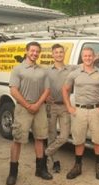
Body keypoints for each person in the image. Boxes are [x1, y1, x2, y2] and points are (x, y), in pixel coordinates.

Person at [6, 42, 53, 185]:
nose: (34, 53)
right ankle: (13, 173)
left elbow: (47, 90)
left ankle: (40, 169)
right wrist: (28, 105)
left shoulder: (43, 71)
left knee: (40, 138)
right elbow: (13, 90)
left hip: (39, 109)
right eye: (32, 51)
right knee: (18, 139)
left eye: (37, 51)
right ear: (27, 51)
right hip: (22, 108)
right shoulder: (18, 69)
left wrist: (38, 104)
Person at [62, 47, 99, 180]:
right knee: (79, 140)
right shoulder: (75, 73)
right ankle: (77, 166)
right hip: (79, 111)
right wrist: (69, 107)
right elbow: (65, 90)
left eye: (90, 56)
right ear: (82, 57)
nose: (88, 58)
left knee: (98, 140)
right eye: (85, 56)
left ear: (94, 57)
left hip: (96, 111)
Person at [44, 44, 78, 173]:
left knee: (64, 136)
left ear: (64, 54)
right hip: (51, 107)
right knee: (51, 135)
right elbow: (40, 85)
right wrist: (45, 96)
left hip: (65, 106)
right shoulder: (46, 70)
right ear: (52, 55)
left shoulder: (71, 69)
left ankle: (45, 154)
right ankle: (55, 162)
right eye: (56, 52)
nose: (59, 54)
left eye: (61, 52)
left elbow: (86, 62)